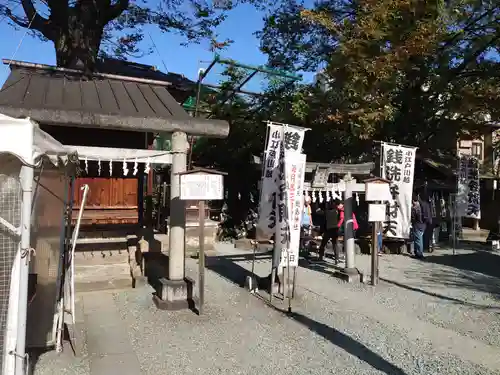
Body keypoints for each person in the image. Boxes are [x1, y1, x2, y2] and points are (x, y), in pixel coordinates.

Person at [411, 193, 431, 259]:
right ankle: (418, 253)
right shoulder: (424, 205)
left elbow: (413, 217)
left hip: (417, 225)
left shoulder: (415, 208)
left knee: (418, 240)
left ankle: (419, 254)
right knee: (419, 239)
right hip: (423, 225)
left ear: (414, 201)